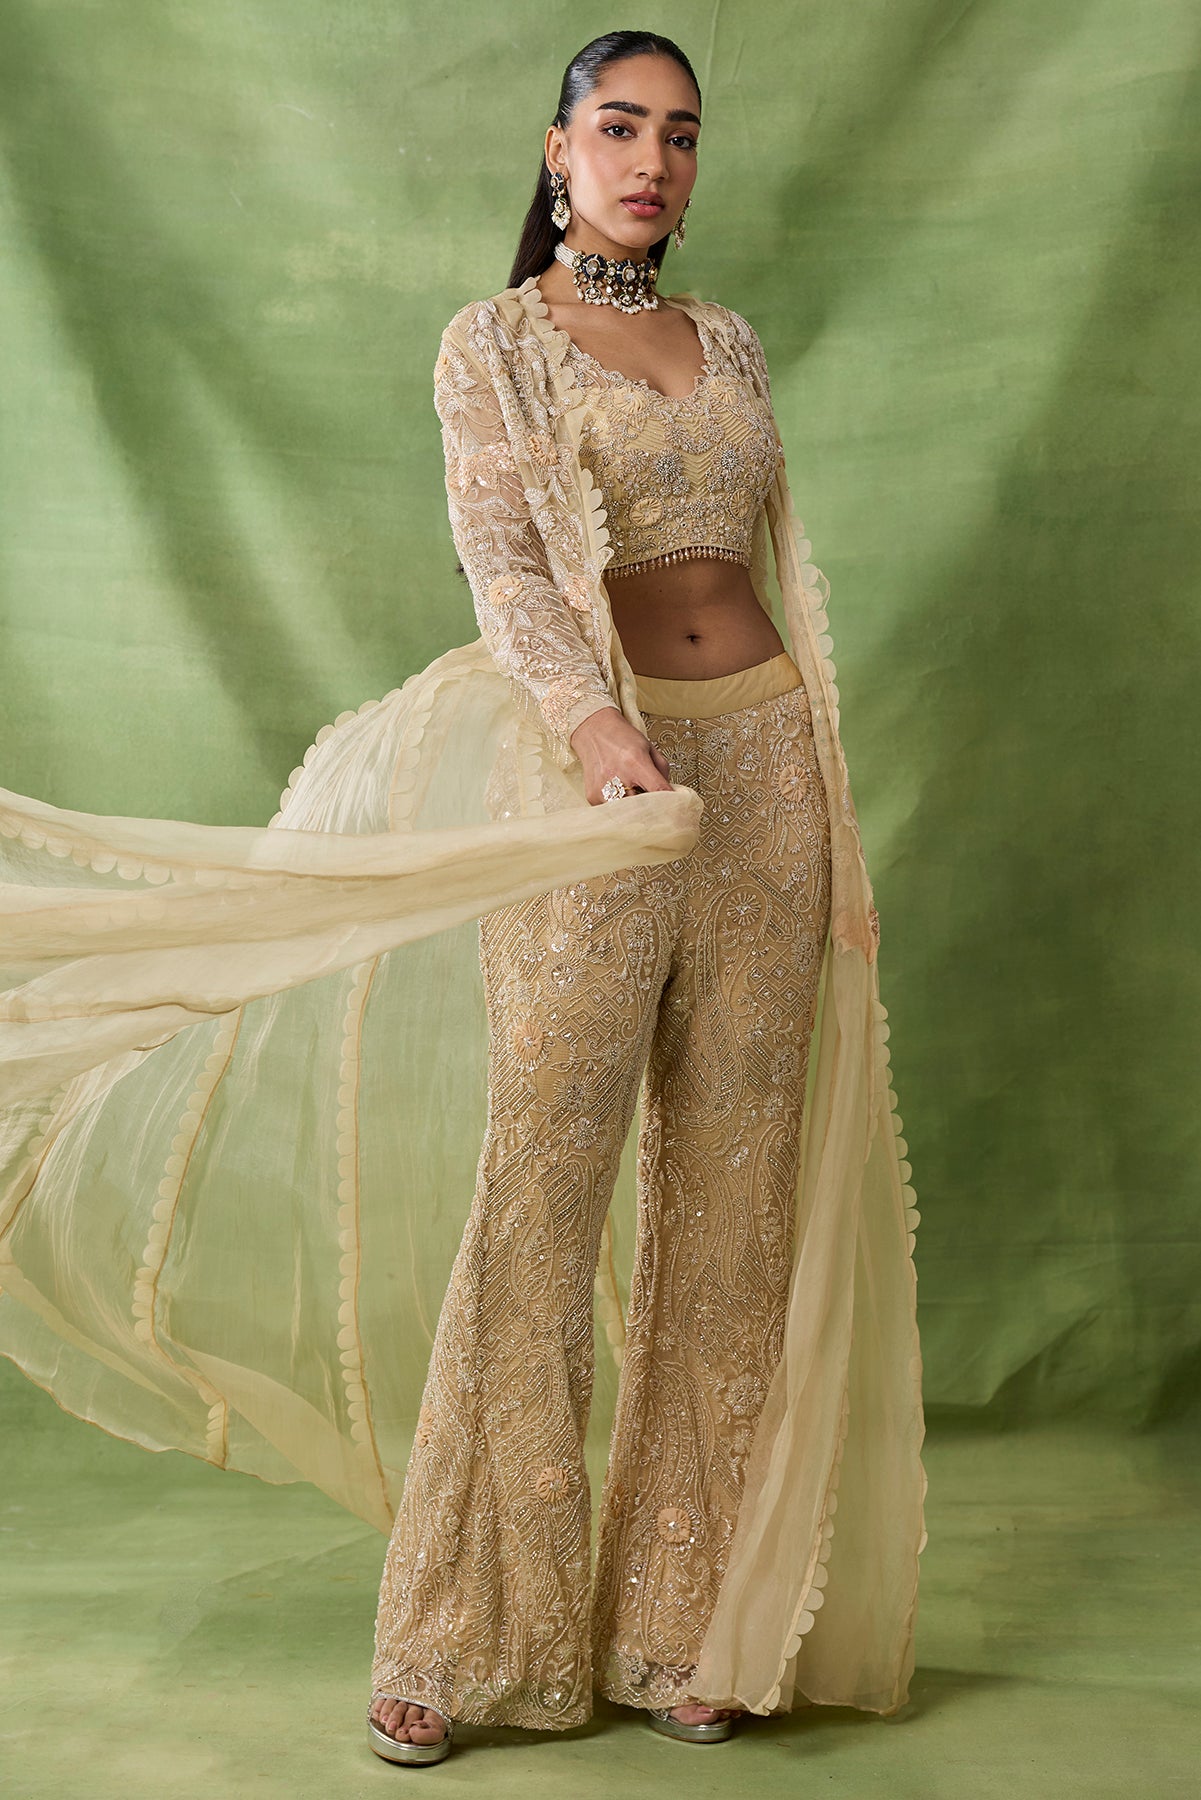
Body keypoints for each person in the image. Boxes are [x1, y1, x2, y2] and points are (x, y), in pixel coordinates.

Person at [0, 28, 925, 1775]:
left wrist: (820, 810)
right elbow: (505, 562)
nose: (651, 161)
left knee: (732, 1212)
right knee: (539, 1194)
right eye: (619, 128)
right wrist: (592, 729)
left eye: (681, 136)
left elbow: (773, 570)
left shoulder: (726, 340)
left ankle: (686, 1626)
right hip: (591, 788)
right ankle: (463, 1635)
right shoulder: (490, 343)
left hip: (766, 772)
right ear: (556, 149)